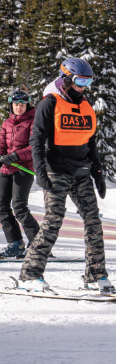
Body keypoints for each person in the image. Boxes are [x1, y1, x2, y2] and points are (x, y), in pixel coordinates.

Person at [17, 57, 114, 293]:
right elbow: (37, 140)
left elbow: (90, 143)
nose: (83, 86)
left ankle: (96, 275)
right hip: (56, 170)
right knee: (53, 222)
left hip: (81, 171)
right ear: (66, 78)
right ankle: (30, 276)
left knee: (94, 223)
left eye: (88, 81)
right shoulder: (49, 103)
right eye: (80, 80)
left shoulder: (86, 106)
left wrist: (98, 173)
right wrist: (40, 172)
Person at [0, 89, 40, 257]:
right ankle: (15, 243)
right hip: (6, 169)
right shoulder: (6, 123)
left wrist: (16, 156)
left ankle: (38, 244)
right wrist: (2, 156)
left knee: (19, 207)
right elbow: (1, 143)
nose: (19, 107)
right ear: (11, 105)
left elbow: (35, 147)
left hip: (23, 169)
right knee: (2, 206)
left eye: (22, 105)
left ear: (27, 105)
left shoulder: (33, 122)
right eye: (16, 105)